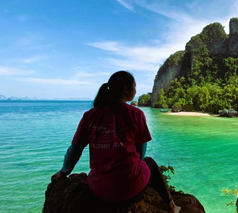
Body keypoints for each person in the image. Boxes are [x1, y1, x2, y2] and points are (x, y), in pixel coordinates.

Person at [51, 71, 181, 213]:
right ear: (126, 90)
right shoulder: (135, 114)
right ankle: (172, 207)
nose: (136, 90)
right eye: (134, 86)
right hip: (130, 190)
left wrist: (64, 172)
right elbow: (141, 153)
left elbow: (75, 149)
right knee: (150, 162)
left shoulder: (89, 116)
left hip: (99, 191)